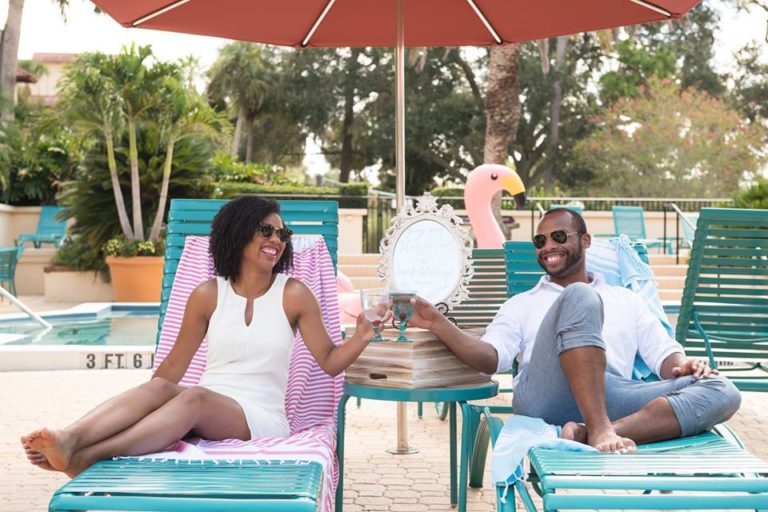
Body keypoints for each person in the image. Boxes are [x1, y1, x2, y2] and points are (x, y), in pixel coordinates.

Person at [21, 196, 375, 477]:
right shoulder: (207, 294)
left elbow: (329, 363)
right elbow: (170, 369)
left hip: (261, 417)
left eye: (282, 234)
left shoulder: (294, 293)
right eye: (265, 231)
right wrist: (154, 407)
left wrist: (360, 337)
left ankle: (87, 457)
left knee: (195, 398)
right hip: (206, 405)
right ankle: (71, 438)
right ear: (237, 234)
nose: (276, 241)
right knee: (162, 389)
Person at [408, 208, 741, 452]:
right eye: (540, 240)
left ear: (585, 240)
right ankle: (600, 429)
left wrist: (685, 366)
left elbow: (665, 357)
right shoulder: (522, 303)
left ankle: (589, 431)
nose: (548, 246)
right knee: (580, 295)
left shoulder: (627, 299)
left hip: (610, 394)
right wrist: (439, 323)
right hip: (545, 396)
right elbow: (491, 359)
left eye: (558, 237)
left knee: (721, 390)